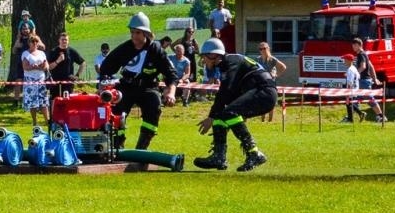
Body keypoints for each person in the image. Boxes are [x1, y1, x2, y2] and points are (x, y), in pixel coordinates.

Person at [193, 38, 277, 171]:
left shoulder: (229, 63)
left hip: (264, 92)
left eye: (205, 57)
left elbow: (225, 91)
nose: (203, 61)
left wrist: (211, 117)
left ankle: (254, 153)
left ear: (214, 56)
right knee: (222, 115)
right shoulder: (228, 62)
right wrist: (216, 116)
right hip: (261, 91)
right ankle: (219, 157)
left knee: (227, 113)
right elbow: (230, 96)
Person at [98, 13, 178, 151]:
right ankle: (117, 147)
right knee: (116, 113)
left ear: (146, 33)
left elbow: (171, 75)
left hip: (149, 87)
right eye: (132, 32)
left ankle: (141, 149)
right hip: (126, 87)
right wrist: (103, 86)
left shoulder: (156, 50)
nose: (134, 36)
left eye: (138, 32)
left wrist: (171, 93)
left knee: (154, 107)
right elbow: (106, 68)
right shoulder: (124, 49)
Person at [346, 38, 386, 122]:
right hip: (365, 80)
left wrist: (354, 74)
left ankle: (381, 116)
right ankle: (350, 117)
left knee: (368, 98)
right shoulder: (365, 54)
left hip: (363, 81)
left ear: (360, 45)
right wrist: (374, 78)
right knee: (355, 98)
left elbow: (363, 66)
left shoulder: (361, 55)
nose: (353, 47)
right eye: (352, 45)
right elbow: (371, 67)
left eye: (355, 45)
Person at [19, 33, 50, 127]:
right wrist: (33, 67)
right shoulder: (25, 53)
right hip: (30, 80)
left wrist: (42, 67)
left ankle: (47, 120)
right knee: (33, 102)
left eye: (36, 41)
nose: (35, 43)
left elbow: (46, 66)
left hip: (41, 79)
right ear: (29, 43)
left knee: (43, 101)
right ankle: (34, 121)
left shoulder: (42, 53)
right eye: (33, 41)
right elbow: (25, 67)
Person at [45, 31, 84, 100]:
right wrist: (58, 61)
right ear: (59, 40)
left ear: (68, 41)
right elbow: (49, 67)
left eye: (66, 39)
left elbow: (83, 63)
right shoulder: (53, 51)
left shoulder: (71, 51)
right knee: (55, 101)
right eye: (62, 39)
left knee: (68, 102)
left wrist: (77, 75)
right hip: (55, 82)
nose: (64, 41)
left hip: (68, 83)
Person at [254, 41, 286, 121]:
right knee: (262, 102)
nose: (262, 50)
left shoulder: (272, 59)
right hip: (261, 83)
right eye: (260, 49)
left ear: (268, 49)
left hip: (271, 83)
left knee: (271, 102)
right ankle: (262, 120)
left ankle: (270, 120)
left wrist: (276, 75)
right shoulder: (258, 59)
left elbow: (283, 67)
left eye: (264, 48)